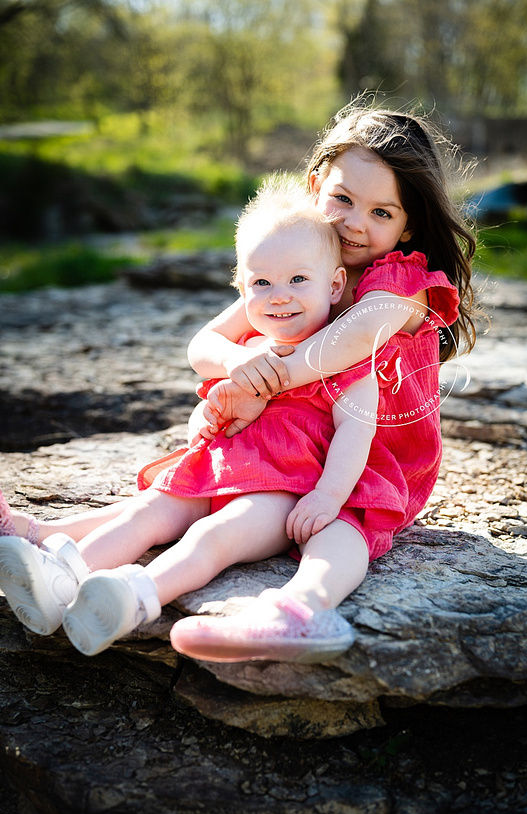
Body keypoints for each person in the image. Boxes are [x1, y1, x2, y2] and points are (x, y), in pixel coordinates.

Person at [3, 103, 478, 662]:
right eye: (343, 198)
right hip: (283, 443)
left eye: (381, 212)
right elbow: (204, 345)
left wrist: (260, 384)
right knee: (174, 498)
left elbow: (347, 346)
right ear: (315, 183)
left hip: (366, 462)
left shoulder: (403, 284)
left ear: (409, 224)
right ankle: (49, 547)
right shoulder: (297, 260)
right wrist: (234, 367)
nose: (355, 222)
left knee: (326, 527)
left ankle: (297, 610)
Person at [0, 178, 381, 657]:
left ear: (335, 284)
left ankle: (134, 596)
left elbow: (356, 430)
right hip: (214, 473)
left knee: (212, 537)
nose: (279, 296)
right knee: (146, 514)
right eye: (262, 283)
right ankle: (64, 574)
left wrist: (327, 497)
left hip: (281, 491)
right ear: (242, 290)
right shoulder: (247, 350)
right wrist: (205, 419)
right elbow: (210, 409)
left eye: (297, 280)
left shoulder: (342, 357)